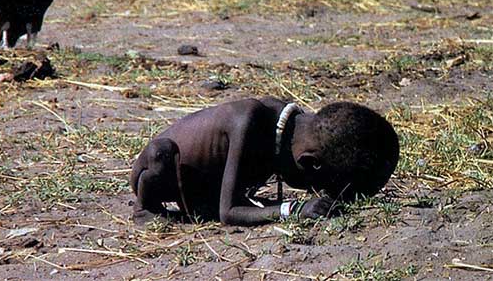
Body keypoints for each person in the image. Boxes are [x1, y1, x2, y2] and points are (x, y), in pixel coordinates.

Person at [129, 98, 399, 226]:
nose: (315, 193)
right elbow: (229, 212)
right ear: (309, 164)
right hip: (160, 173)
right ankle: (145, 210)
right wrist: (292, 209)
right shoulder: (249, 122)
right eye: (317, 187)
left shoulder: (290, 128)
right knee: (160, 154)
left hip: (201, 188)